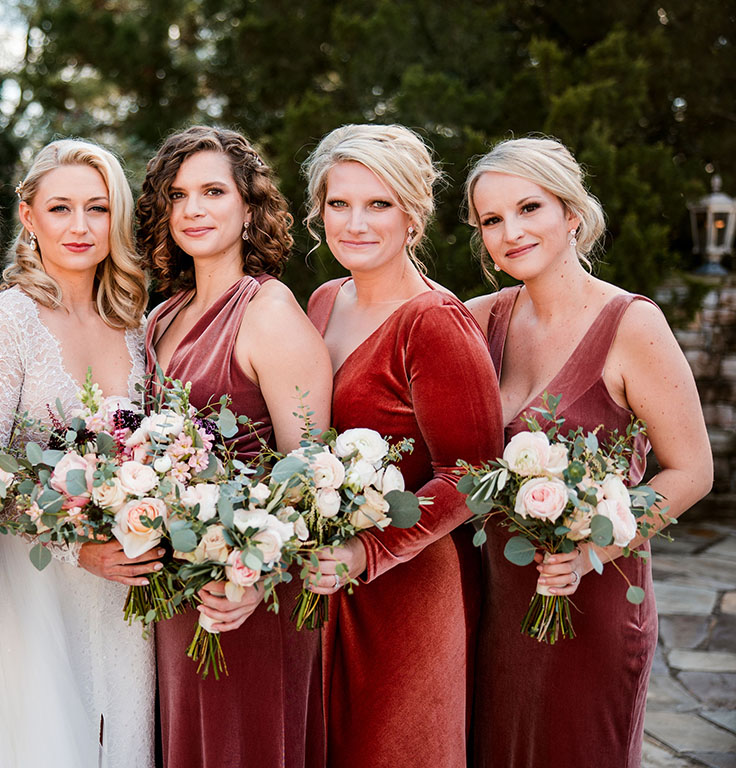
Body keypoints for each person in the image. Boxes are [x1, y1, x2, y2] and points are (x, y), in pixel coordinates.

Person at [463, 136, 712, 768]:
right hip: (487, 600)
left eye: (529, 208)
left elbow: (692, 470)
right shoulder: (474, 321)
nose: (510, 231)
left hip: (588, 601)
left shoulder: (632, 325)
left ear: (572, 213)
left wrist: (593, 546)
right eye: (492, 220)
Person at [300, 124, 504, 767]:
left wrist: (367, 549)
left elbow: (473, 474)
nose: (354, 222)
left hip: (405, 588)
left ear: (413, 215)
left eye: (378, 204)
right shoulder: (324, 301)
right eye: (339, 204)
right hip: (319, 582)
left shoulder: (435, 321)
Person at [0, 139, 155, 768]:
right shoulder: (6, 321)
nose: (79, 226)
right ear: (30, 216)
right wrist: (75, 545)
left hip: (122, 587)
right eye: (61, 208)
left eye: (97, 209)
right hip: (33, 582)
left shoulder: (135, 322)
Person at [138, 125, 333, 768]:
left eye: (213, 191)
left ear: (249, 208)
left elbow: (310, 472)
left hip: (248, 594)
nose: (193, 209)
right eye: (178, 195)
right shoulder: (162, 315)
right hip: (174, 586)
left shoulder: (270, 311)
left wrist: (252, 576)